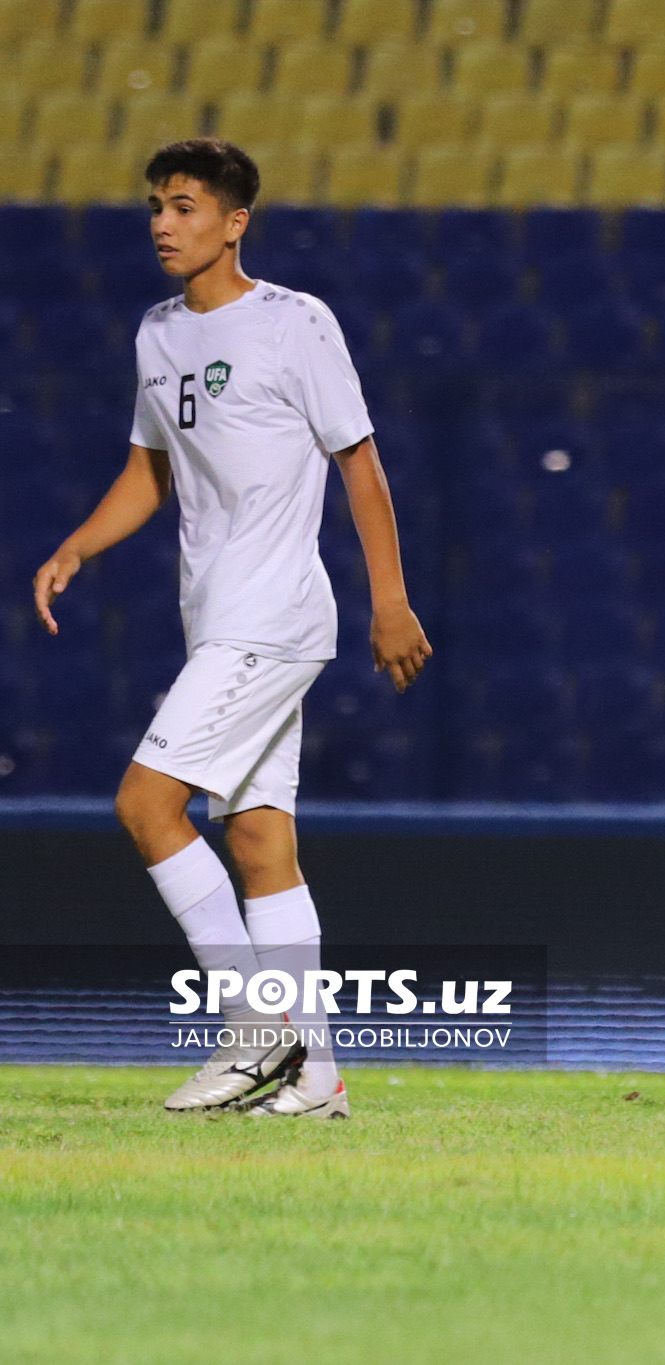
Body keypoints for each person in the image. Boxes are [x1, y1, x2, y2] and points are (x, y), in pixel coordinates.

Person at [31, 140, 431, 1118]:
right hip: (214, 618)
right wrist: (77, 548)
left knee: (144, 804)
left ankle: (257, 1035)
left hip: (274, 617)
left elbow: (361, 466)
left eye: (183, 206)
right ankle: (321, 1076)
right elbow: (147, 471)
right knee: (257, 841)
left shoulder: (296, 323)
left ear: (234, 222)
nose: (164, 224)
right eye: (156, 208)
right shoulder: (158, 334)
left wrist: (389, 599)